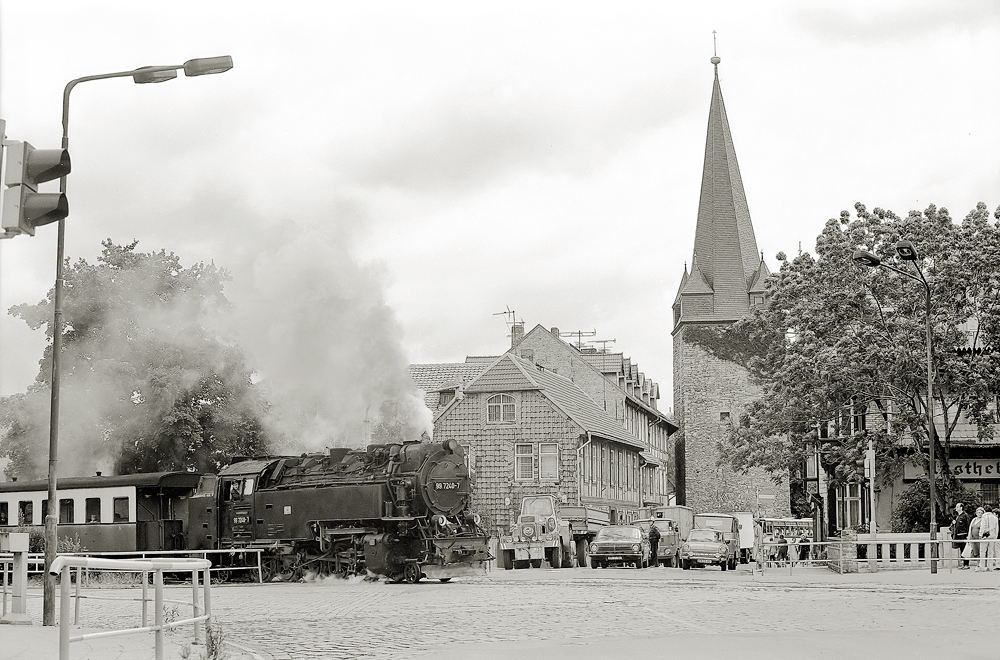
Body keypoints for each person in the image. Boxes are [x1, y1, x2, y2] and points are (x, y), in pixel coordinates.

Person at [977, 506, 999, 572]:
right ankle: (990, 567)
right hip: (992, 536)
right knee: (990, 552)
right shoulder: (995, 518)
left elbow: (983, 526)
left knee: (982, 551)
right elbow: (996, 528)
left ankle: (982, 566)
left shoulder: (984, 516)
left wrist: (980, 534)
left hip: (985, 536)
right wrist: (995, 536)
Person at [953, 503, 971, 569]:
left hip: (964, 535)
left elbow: (968, 525)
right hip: (958, 535)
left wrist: (968, 535)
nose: (956, 508)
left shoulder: (965, 515)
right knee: (961, 549)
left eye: (957, 506)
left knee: (965, 550)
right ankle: (963, 564)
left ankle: (966, 564)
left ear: (961, 507)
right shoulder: (958, 516)